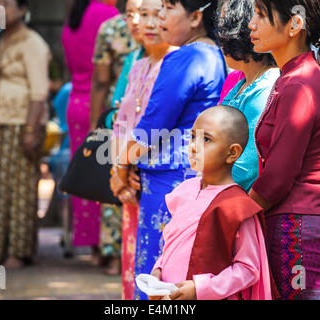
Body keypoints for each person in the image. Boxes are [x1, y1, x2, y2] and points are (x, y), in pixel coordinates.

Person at [114, 0, 226, 300]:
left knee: (157, 275)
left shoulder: (185, 57)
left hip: (168, 179)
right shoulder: (214, 53)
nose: (159, 17)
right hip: (195, 175)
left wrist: (120, 166)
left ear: (195, 17)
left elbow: (150, 129)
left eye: (166, 8)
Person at [150, 106, 272, 300]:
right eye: (192, 137)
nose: (193, 146)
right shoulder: (184, 191)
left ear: (232, 153)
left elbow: (248, 269)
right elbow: (173, 245)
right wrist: (159, 269)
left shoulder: (236, 206)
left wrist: (201, 289)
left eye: (206, 139)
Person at [248, 0, 320, 300]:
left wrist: (231, 215)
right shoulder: (293, 77)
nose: (251, 23)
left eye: (261, 15)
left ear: (294, 25)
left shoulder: (298, 85)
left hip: (297, 226)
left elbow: (278, 176)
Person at [110, 0, 177, 300]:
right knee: (133, 262)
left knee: (157, 267)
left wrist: (127, 168)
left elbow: (160, 129)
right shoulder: (137, 65)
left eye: (157, 15)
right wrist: (118, 171)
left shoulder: (176, 63)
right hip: (129, 182)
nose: (148, 24)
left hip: (157, 178)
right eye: (143, 15)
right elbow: (120, 123)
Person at [0, 0, 51, 268]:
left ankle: (18, 251)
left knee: (19, 187)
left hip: (22, 124)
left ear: (23, 10)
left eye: (7, 5)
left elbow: (39, 91)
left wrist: (31, 130)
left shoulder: (31, 42)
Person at [61, 0, 118, 263]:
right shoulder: (110, 17)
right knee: (106, 173)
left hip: (75, 103)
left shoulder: (75, 14)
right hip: (103, 105)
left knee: (85, 172)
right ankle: (107, 248)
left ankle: (92, 248)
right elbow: (102, 77)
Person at [91, 0, 138, 276]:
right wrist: (96, 127)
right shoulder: (109, 29)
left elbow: (100, 81)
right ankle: (113, 253)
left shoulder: (110, 28)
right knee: (116, 178)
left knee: (129, 177)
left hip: (142, 113)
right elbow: (101, 80)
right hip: (119, 112)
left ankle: (121, 254)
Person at [217, 0, 280, 192]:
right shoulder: (243, 82)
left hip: (230, 194)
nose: (220, 36)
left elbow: (246, 168)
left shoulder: (266, 85)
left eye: (224, 26)